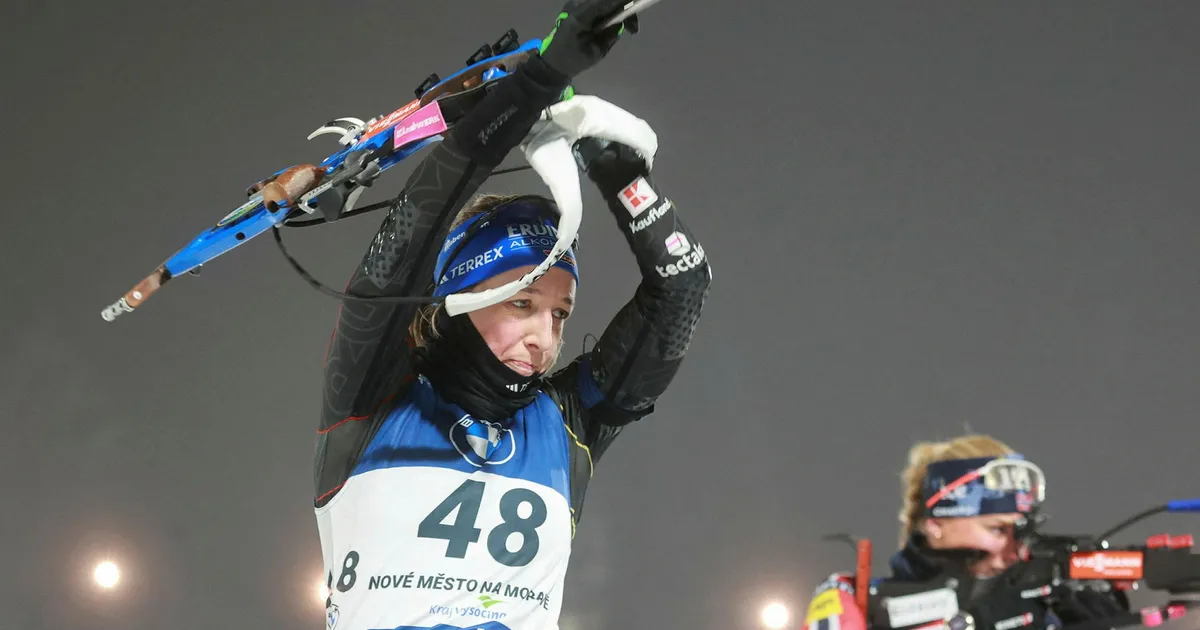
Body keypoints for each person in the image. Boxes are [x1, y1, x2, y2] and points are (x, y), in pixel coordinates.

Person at [311, 3, 712, 630]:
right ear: (462, 292)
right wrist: (539, 80)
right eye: (522, 302)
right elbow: (411, 234)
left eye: (560, 313)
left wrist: (619, 174)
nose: (543, 338)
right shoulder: (372, 395)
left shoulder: (570, 421)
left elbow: (681, 286)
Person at [801, 434, 1128, 630]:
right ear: (936, 523)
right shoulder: (856, 604)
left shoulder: (1035, 609)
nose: (1015, 550)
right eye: (997, 529)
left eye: (1020, 532)